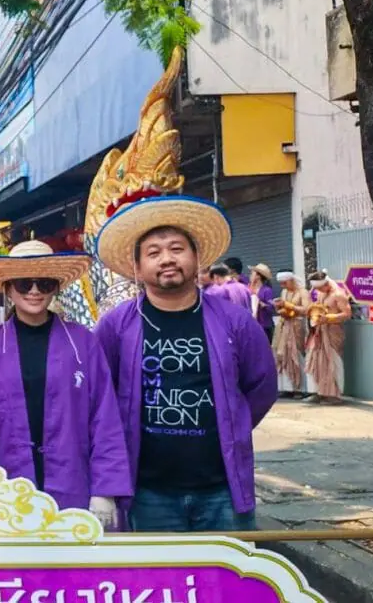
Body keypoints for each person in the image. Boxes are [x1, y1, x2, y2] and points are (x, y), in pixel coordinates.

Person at [93, 195, 277, 532]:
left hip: (222, 489)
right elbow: (100, 398)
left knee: (229, 583)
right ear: (137, 267)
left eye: (177, 249)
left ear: (196, 258)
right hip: (147, 492)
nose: (167, 259)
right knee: (156, 583)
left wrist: (231, 426)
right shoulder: (116, 326)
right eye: (153, 252)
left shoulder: (234, 322)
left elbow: (262, 386)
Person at [0, 240, 130, 527]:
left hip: (72, 482)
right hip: (3, 484)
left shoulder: (82, 342)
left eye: (43, 283)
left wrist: (106, 490)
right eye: (24, 283)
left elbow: (104, 418)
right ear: (7, 288)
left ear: (55, 287)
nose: (34, 291)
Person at [305, 270, 351, 405]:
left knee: (333, 363)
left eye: (319, 287)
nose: (317, 290)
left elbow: (347, 314)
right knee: (318, 362)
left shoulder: (338, 294)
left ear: (326, 284)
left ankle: (335, 395)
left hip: (333, 333)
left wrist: (329, 318)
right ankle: (320, 392)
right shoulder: (321, 293)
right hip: (320, 331)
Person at [272, 271, 311, 398]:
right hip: (285, 324)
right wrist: (279, 307)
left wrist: (288, 305)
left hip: (297, 326)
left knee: (296, 355)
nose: (283, 286)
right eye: (281, 283)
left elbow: (306, 309)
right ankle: (286, 387)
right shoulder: (284, 292)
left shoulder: (302, 292)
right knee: (282, 354)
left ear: (292, 280)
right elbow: (284, 307)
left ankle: (299, 388)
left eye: (285, 283)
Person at [249, 264, 276, 342]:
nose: (250, 275)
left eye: (252, 273)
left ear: (258, 276)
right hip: (254, 325)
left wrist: (262, 304)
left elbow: (271, 308)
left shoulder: (266, 291)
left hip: (265, 326)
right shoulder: (249, 288)